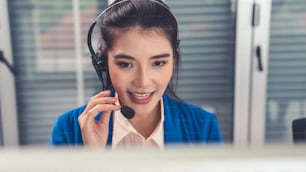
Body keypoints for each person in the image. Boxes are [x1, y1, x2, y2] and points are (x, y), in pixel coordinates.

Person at [50, 0, 222, 150]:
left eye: (158, 63)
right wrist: (93, 160)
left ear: (173, 60)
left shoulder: (203, 127)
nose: (143, 82)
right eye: (126, 64)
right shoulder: (69, 129)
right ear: (103, 63)